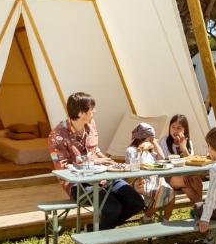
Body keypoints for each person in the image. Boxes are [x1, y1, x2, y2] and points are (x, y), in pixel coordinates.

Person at [48, 92, 145, 230]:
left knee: (136, 202)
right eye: (91, 108)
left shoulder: (91, 124)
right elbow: (63, 169)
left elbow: (95, 150)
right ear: (81, 113)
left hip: (104, 178)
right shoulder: (56, 136)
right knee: (113, 208)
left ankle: (95, 231)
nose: (95, 111)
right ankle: (100, 241)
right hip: (79, 185)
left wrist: (108, 160)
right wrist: (94, 163)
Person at [126, 123, 175, 222]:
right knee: (163, 191)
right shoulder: (131, 150)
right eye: (150, 138)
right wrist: (141, 149)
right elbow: (134, 166)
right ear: (142, 137)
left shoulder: (150, 152)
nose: (151, 140)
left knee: (171, 193)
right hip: (140, 181)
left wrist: (155, 143)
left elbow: (162, 159)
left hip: (156, 179)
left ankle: (165, 220)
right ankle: (147, 218)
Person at [160, 114, 204, 204]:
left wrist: (183, 148)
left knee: (187, 187)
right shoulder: (164, 141)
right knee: (195, 180)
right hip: (169, 176)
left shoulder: (189, 143)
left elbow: (191, 163)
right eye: (173, 127)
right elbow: (165, 162)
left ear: (185, 130)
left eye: (179, 128)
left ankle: (199, 209)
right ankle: (202, 210)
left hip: (184, 177)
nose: (175, 130)